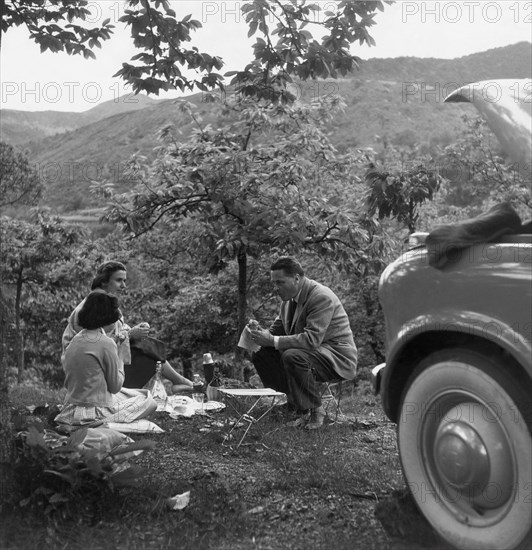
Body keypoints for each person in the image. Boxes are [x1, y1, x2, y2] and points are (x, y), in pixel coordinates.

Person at [248, 257, 357, 429]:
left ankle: (315, 409)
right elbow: (277, 330)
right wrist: (260, 332)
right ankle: (296, 404)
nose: (276, 288)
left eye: (280, 282)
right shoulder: (288, 300)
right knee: (261, 353)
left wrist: (272, 340)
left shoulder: (321, 297)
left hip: (336, 356)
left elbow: (312, 339)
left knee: (292, 355)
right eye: (274, 283)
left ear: (297, 278)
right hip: (312, 353)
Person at [61, 261, 193, 394]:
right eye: (119, 280)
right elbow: (95, 343)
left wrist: (134, 331)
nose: (124, 286)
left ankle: (178, 381)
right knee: (144, 349)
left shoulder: (103, 300)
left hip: (99, 357)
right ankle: (177, 381)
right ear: (104, 281)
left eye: (124, 281)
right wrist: (130, 335)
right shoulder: (95, 305)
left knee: (146, 345)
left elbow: (113, 331)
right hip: (88, 367)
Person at [55, 291, 157, 426]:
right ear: (106, 319)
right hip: (95, 412)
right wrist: (120, 355)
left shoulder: (74, 340)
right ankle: (103, 422)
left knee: (135, 393)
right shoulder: (106, 343)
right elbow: (115, 386)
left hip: (71, 408)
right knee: (150, 402)